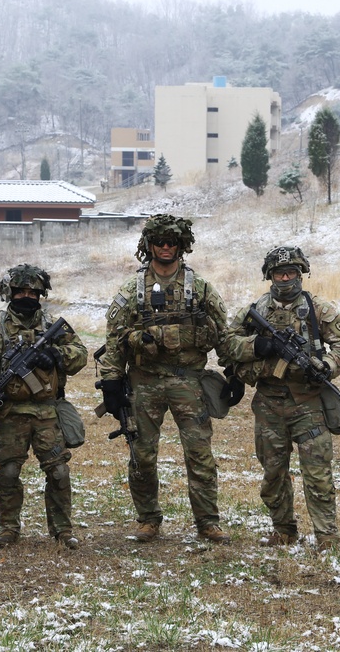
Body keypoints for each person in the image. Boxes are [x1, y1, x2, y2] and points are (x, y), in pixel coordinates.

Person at [99, 214, 232, 544]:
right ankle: (148, 519)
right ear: (149, 245)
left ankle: (207, 522)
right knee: (141, 454)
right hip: (145, 382)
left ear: (181, 245)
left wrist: (234, 370)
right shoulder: (132, 289)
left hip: (189, 382)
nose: (166, 247)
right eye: (159, 242)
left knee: (199, 453)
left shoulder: (198, 287)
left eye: (172, 242)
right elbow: (115, 338)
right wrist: (112, 382)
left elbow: (222, 333)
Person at [225, 246, 340, 550]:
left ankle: (326, 535)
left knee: (318, 473)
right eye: (279, 273)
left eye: (291, 273)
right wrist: (259, 347)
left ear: (301, 274)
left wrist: (327, 366)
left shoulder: (318, 308)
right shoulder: (256, 309)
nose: (285, 278)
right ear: (270, 276)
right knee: (273, 473)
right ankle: (283, 529)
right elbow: (228, 343)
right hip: (269, 403)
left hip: (308, 402)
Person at [0, 264, 88, 550]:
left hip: (47, 411)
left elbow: (80, 355)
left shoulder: (53, 327)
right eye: (21, 292)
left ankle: (63, 530)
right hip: (11, 413)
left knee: (59, 472)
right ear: (9, 294)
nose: (27, 297)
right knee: (9, 472)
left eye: (32, 292)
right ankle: (9, 529)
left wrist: (56, 355)